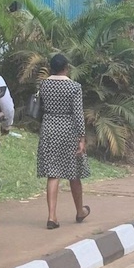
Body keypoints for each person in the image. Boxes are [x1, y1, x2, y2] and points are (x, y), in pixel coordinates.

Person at [37, 53, 91, 230]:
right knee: (73, 172)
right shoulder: (74, 87)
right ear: (66, 67)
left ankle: (52, 216)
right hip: (68, 129)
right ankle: (80, 211)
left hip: (49, 127)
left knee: (53, 173)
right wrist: (81, 137)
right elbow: (78, 113)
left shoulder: (44, 84)